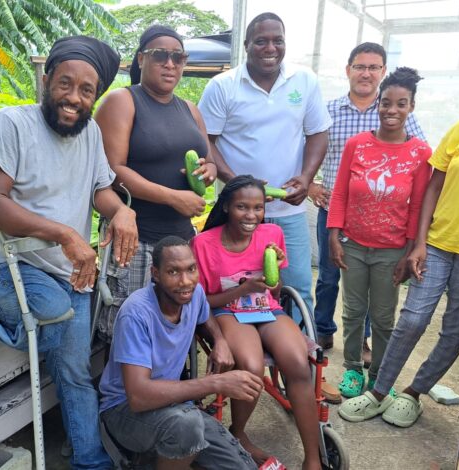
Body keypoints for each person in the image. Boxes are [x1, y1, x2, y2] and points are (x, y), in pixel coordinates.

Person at [0, 36, 138, 469]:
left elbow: (102, 189)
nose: (74, 99)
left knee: (76, 373)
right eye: (65, 84)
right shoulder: (9, 125)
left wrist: (122, 212)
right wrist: (64, 234)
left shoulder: (91, 133)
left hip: (71, 272)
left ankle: (90, 460)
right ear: (46, 81)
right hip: (7, 266)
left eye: (86, 91)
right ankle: (3, 319)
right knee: (57, 312)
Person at [339, 52, 459, 428]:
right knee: (412, 319)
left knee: (456, 327)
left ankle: (414, 393)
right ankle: (379, 391)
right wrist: (420, 243)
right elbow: (432, 188)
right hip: (439, 242)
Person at [198, 12, 332, 319]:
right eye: (261, 41)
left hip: (290, 211)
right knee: (233, 286)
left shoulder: (304, 80)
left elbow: (318, 133)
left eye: (277, 40)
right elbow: (206, 140)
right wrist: (242, 185)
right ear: (246, 44)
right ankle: (246, 353)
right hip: (237, 212)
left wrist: (306, 177)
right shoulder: (223, 86)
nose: (270, 48)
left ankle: (302, 357)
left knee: (296, 289)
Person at [94, 25, 216, 343]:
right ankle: (123, 393)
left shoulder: (189, 108)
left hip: (179, 241)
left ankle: (174, 389)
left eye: (178, 57)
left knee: (175, 325)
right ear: (141, 59)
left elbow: (209, 157)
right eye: (160, 55)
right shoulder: (123, 101)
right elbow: (111, 169)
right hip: (136, 239)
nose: (170, 63)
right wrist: (172, 197)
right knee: (130, 328)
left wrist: (210, 169)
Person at [309, 43, 427, 367]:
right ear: (348, 70)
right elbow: (307, 149)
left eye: (374, 67)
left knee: (381, 304)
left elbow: (419, 189)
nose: (366, 73)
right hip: (338, 216)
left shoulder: (410, 133)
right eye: (360, 66)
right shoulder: (331, 113)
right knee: (334, 283)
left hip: (389, 235)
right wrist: (309, 184)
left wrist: (413, 243)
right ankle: (327, 336)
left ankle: (372, 359)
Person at [191, 176, 321, 470]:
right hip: (227, 311)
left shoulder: (272, 233)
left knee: (298, 363)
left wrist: (272, 275)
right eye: (242, 207)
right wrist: (241, 290)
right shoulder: (203, 243)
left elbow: (275, 291)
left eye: (258, 208)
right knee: (251, 366)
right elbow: (201, 301)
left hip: (266, 309)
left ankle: (313, 457)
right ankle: (239, 434)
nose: (251, 216)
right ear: (226, 207)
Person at [98, 236, 261, 470]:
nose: (185, 281)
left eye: (191, 269)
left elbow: (206, 316)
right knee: (187, 427)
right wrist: (216, 383)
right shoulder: (135, 313)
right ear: (155, 274)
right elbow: (138, 397)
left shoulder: (194, 294)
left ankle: (156, 457)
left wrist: (220, 340)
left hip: (173, 405)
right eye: (173, 272)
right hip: (122, 411)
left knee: (242, 466)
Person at [327, 67, 432, 399]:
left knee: (385, 317)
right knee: (353, 312)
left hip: (392, 251)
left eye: (401, 104)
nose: (392, 110)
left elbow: (417, 206)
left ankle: (379, 375)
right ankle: (353, 370)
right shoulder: (357, 145)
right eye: (386, 103)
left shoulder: (420, 153)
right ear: (378, 105)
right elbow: (341, 192)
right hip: (354, 245)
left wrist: (411, 249)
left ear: (411, 108)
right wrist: (334, 235)